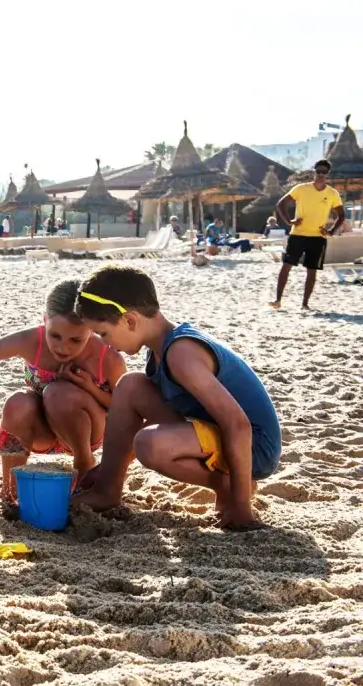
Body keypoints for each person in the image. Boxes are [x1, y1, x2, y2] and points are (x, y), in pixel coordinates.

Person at [73, 266, 280, 530]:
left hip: (254, 447)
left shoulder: (181, 353)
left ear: (130, 321)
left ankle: (231, 486)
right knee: (131, 385)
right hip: (214, 433)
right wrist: (107, 466)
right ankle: (107, 488)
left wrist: (240, 508)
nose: (105, 343)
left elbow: (238, 424)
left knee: (149, 443)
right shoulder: (159, 348)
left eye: (103, 333)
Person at [0, 280, 126, 501]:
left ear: (91, 329)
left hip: (88, 434)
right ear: (45, 321)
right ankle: (10, 490)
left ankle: (84, 464)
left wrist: (88, 387)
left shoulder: (107, 357)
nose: (63, 347)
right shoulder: (32, 341)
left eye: (76, 339)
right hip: (44, 432)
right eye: (55, 335)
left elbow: (125, 409)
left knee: (57, 393)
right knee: (17, 403)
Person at [271, 159, 345, 310]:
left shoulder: (332, 193)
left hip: (318, 238)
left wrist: (331, 231)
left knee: (312, 271)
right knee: (286, 266)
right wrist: (289, 221)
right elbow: (281, 204)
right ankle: (278, 300)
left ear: (327, 175)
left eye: (324, 172)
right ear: (314, 172)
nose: (321, 174)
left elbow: (341, 216)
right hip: (297, 235)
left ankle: (305, 304)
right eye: (318, 171)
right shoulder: (301, 189)